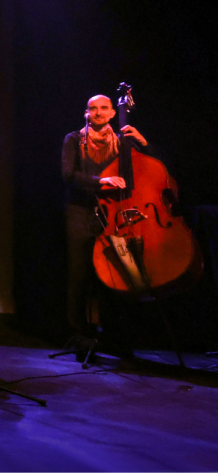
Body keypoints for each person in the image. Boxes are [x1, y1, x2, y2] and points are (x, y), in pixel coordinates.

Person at [60, 94, 149, 355]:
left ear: (112, 113)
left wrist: (143, 144)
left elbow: (147, 167)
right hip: (80, 212)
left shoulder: (123, 140)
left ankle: (115, 335)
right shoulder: (74, 140)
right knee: (79, 275)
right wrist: (103, 181)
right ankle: (79, 335)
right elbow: (68, 174)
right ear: (86, 113)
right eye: (93, 109)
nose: (98, 113)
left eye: (104, 108)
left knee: (112, 275)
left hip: (114, 216)